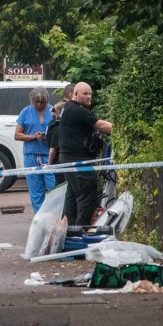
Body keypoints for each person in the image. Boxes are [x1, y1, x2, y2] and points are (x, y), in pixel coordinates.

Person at [58, 82, 112, 226]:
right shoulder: (77, 110)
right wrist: (122, 130)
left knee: (72, 195)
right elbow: (101, 125)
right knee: (86, 196)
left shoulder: (69, 108)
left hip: (69, 158)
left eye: (90, 94)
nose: (89, 97)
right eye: (85, 94)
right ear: (74, 94)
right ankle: (81, 230)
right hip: (77, 159)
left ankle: (68, 230)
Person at [14, 87, 55, 213]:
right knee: (36, 191)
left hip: (49, 155)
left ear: (47, 101)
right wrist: (33, 136)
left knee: (54, 187)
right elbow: (17, 135)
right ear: (32, 100)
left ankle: (55, 216)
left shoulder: (53, 111)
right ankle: (40, 218)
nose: (39, 104)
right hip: (31, 155)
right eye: (36, 102)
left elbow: (60, 131)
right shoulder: (25, 112)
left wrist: (48, 137)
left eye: (42, 102)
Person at [46, 83, 75, 184]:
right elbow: (52, 149)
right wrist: (49, 164)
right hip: (60, 162)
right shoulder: (58, 128)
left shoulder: (54, 125)